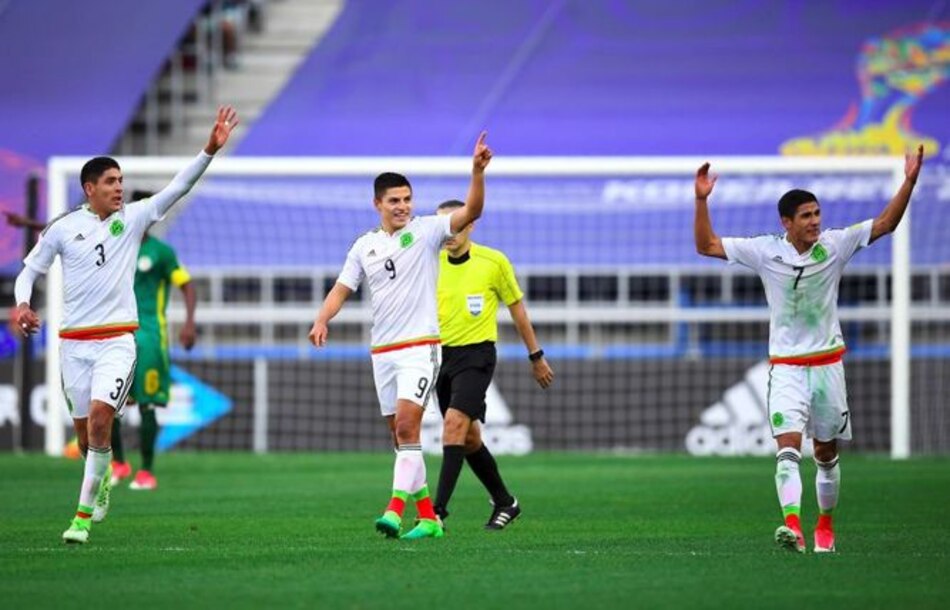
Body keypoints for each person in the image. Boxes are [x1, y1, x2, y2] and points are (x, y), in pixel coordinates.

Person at [13, 106, 238, 544]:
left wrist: (209, 149)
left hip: (118, 341)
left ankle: (80, 518)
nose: (119, 188)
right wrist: (22, 304)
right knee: (85, 437)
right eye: (111, 182)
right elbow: (29, 270)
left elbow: (178, 187)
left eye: (121, 181)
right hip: (73, 346)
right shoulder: (63, 228)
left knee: (101, 419)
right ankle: (98, 482)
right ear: (89, 188)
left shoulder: (133, 219)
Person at [693, 145, 924, 553]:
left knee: (825, 453)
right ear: (787, 222)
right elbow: (707, 245)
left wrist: (909, 181)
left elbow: (887, 223)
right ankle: (793, 527)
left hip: (828, 365)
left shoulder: (835, 246)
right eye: (807, 216)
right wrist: (701, 200)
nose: (816, 222)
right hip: (786, 368)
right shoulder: (766, 252)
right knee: (787, 449)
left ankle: (825, 528)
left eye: (817, 214)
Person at [309, 132, 493, 541]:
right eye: (394, 200)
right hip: (382, 352)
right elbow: (342, 288)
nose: (403, 206)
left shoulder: (428, 231)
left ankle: (394, 510)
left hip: (419, 349)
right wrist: (322, 319)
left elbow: (473, 209)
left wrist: (477, 171)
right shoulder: (364, 246)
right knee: (400, 438)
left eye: (407, 199)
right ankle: (428, 517)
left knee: (409, 427)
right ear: (378, 204)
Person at [432, 199, 553, 530]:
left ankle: (436, 512)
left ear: (470, 224)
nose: (450, 232)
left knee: (454, 425)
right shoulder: (430, 262)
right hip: (440, 358)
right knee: (469, 438)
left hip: (477, 356)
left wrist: (536, 355)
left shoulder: (493, 261)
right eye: (444, 225)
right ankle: (505, 502)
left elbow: (518, 310)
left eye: (457, 224)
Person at [110, 191, 198, 490]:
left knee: (147, 405)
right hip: (116, 333)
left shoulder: (161, 253)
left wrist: (188, 324)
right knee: (109, 402)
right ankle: (119, 464)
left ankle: (146, 472)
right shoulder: (115, 247)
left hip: (149, 336)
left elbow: (186, 286)